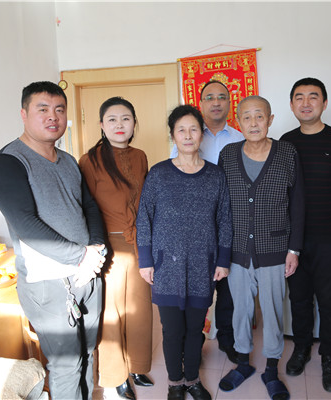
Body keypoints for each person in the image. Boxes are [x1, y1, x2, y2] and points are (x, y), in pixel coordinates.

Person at [0, 81, 106, 399]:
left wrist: (95, 250)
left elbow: (89, 207)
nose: (53, 116)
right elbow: (26, 225)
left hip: (88, 275)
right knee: (67, 364)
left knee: (88, 353)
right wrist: (81, 257)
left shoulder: (68, 161)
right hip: (49, 284)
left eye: (59, 109)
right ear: (24, 114)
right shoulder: (9, 163)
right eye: (43, 109)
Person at [137, 105, 233, 400]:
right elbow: (144, 218)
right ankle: (175, 383)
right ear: (173, 135)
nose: (188, 135)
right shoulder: (158, 174)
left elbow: (225, 219)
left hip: (203, 265)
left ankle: (192, 379)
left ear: (202, 134)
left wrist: (223, 260)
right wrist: (146, 260)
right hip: (166, 265)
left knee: (194, 329)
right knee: (171, 331)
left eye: (194, 129)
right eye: (181, 130)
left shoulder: (215, 175)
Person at [217, 96, 305, 400]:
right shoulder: (228, 154)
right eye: (246, 117)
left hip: (275, 249)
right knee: (240, 310)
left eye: (259, 116)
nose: (253, 123)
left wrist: (294, 250)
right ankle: (243, 364)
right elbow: (221, 205)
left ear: (270, 119)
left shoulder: (287, 152)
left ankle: (271, 369)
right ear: (238, 121)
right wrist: (221, 250)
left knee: (273, 310)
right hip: (237, 250)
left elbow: (298, 203)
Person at [280, 78, 331, 392]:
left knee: (330, 302)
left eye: (313, 97)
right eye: (299, 97)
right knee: (299, 299)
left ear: (324, 103)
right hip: (295, 240)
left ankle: (330, 357)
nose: (306, 103)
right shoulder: (285, 143)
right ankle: (301, 348)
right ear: (291, 105)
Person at [79, 97, 152, 400]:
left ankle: (137, 366)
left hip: (140, 243)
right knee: (112, 313)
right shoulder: (90, 160)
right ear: (101, 124)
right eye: (112, 119)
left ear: (134, 123)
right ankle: (115, 375)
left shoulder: (140, 156)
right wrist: (92, 248)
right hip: (108, 245)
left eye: (126, 119)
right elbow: (84, 208)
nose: (119, 125)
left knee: (140, 310)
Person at [171, 80, 243, 363]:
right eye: (210, 97)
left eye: (222, 97)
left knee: (227, 286)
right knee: (195, 289)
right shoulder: (188, 137)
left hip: (230, 221)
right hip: (195, 228)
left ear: (229, 103)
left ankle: (227, 337)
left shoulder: (239, 138)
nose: (216, 102)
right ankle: (194, 343)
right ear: (201, 103)